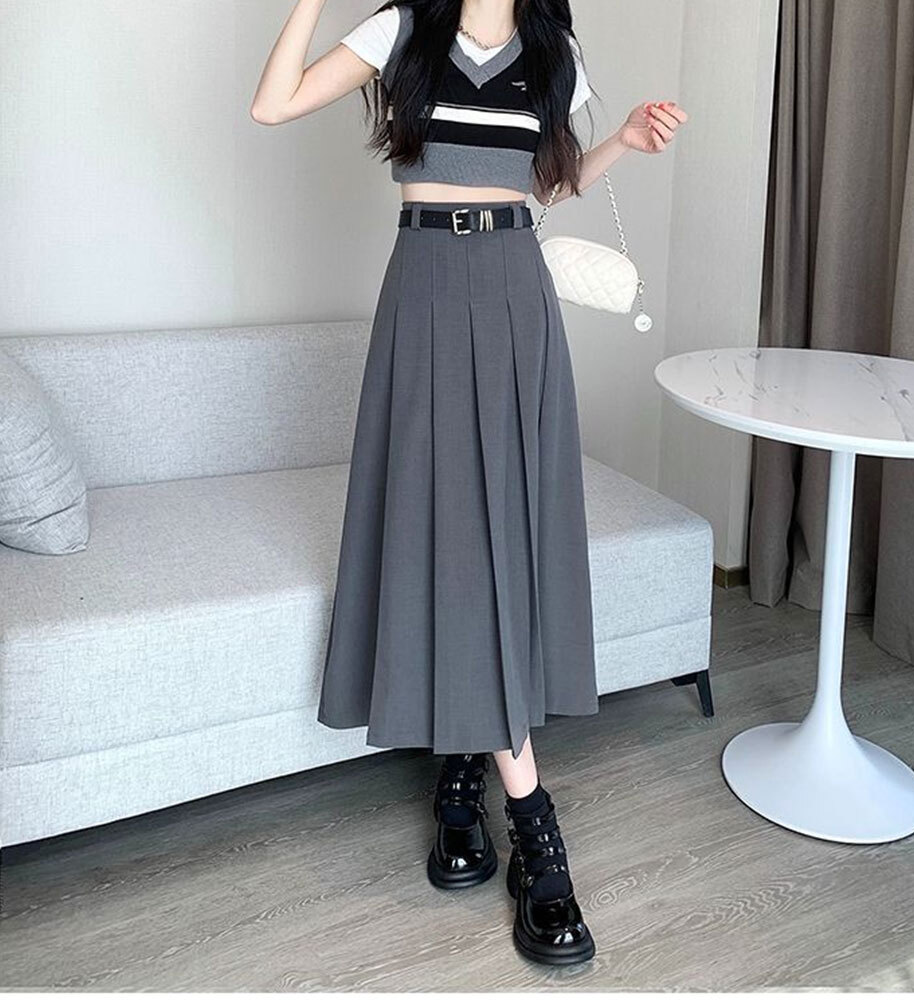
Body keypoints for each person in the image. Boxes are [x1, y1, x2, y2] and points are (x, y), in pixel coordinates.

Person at [251, 0, 686, 966]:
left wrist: (621, 140)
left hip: (516, 291)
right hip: (425, 290)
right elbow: (272, 105)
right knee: (443, 528)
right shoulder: (402, 32)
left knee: (503, 532)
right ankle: (530, 818)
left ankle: (464, 771)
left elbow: (547, 184)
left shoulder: (554, 49)